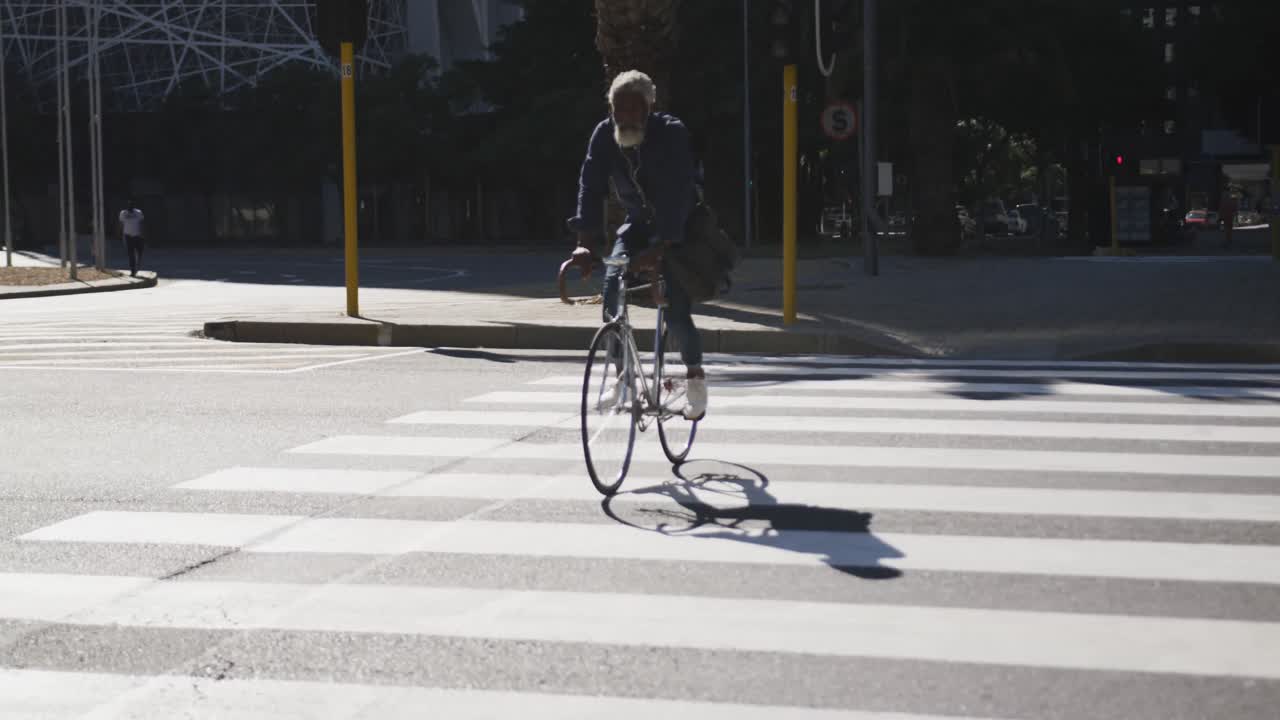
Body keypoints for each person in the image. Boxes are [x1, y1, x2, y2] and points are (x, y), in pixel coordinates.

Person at [566, 70, 706, 420]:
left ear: (649, 107)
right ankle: (622, 379)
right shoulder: (604, 135)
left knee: (674, 307)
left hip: (679, 226)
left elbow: (679, 192)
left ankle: (695, 378)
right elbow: (590, 187)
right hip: (638, 225)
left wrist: (662, 249)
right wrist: (584, 243)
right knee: (612, 288)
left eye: (633, 109)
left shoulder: (671, 133)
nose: (625, 117)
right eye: (618, 109)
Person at [118, 199, 145, 276]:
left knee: (139, 253)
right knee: (131, 254)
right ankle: (133, 270)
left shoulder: (138, 212)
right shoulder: (123, 213)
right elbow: (121, 224)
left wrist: (143, 234)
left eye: (131, 206)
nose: (130, 207)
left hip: (138, 236)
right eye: (128, 206)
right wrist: (119, 234)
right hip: (128, 236)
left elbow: (142, 223)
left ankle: (138, 265)